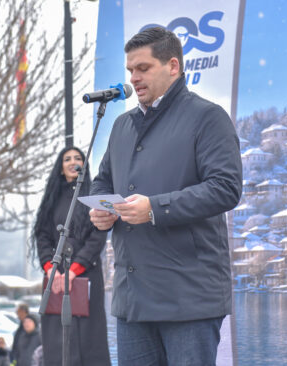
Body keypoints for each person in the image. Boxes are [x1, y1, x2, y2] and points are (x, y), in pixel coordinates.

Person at [89, 26, 242, 366]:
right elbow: (102, 182)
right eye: (130, 70)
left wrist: (154, 209)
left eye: (143, 68)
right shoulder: (121, 126)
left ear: (173, 66)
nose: (134, 78)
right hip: (132, 300)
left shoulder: (208, 118)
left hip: (188, 299)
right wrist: (101, 209)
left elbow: (226, 188)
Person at [33, 146, 111, 366]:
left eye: (78, 158)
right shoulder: (51, 199)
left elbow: (97, 237)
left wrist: (75, 270)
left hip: (86, 275)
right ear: (61, 167)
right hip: (56, 279)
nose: (72, 162)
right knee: (58, 341)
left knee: (88, 340)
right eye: (67, 159)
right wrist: (51, 268)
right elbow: (42, 235)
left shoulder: (93, 197)